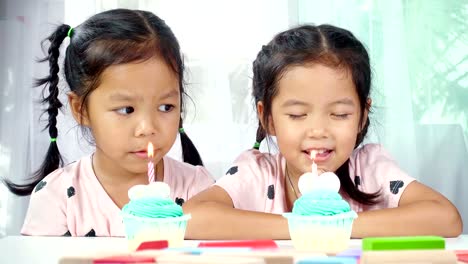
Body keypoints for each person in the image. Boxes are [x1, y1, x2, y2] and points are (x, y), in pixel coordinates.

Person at [183, 24, 463, 239]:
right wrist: (303, 228)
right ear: (267, 117)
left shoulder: (370, 168)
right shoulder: (256, 172)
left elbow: (446, 218)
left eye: (340, 114)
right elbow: (192, 217)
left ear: (363, 116)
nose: (318, 131)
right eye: (297, 115)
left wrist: (336, 227)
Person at [4, 9, 214, 236]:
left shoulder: (199, 188)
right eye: (126, 109)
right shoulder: (57, 197)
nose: (147, 128)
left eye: (166, 107)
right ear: (81, 109)